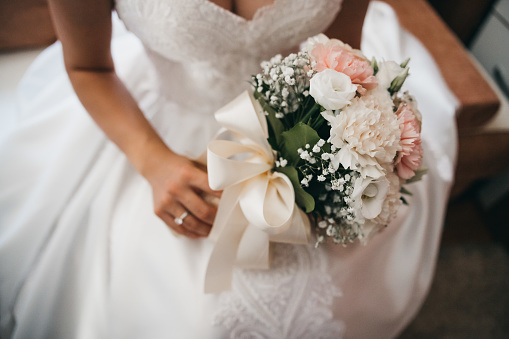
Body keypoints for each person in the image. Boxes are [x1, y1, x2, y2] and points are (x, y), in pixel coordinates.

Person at [0, 0, 458, 338]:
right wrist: (154, 163)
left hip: (292, 119)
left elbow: (339, 59)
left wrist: (323, 150)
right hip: (162, 129)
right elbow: (87, 66)